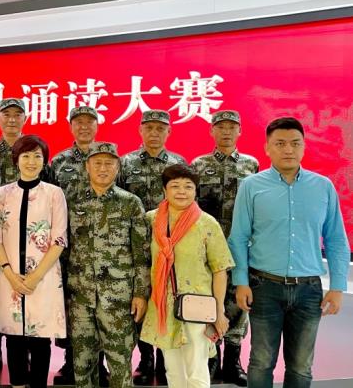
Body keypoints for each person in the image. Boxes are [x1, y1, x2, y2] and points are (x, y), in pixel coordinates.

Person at [229, 117, 350, 388]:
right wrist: (241, 282)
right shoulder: (251, 186)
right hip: (264, 287)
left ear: (304, 147)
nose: (288, 149)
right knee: (261, 361)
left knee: (301, 365)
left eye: (295, 143)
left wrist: (337, 287)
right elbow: (238, 238)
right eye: (280, 143)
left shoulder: (323, 187)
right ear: (267, 148)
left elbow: (336, 240)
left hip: (309, 291)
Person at [140, 164, 234, 388]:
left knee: (197, 371)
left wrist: (219, 311)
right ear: (164, 190)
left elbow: (220, 270)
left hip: (197, 306)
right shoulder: (151, 220)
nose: (181, 191)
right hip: (163, 305)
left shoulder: (206, 223)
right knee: (173, 370)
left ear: (195, 190)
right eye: (175, 186)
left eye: (188, 186)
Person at [67, 142, 150, 388]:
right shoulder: (72, 201)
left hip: (118, 298)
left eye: (108, 163)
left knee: (120, 363)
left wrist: (141, 293)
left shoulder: (130, 203)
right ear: (87, 166)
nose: (103, 169)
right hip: (80, 296)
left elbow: (142, 253)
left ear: (118, 167)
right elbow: (63, 249)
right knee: (82, 365)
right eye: (97, 163)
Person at [0, 135, 68, 388]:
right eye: (26, 156)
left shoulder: (54, 194)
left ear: (44, 161)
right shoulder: (2, 194)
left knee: (40, 340)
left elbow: (59, 240)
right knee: (14, 339)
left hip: (43, 277)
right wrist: (10, 274)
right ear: (16, 160)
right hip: (9, 276)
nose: (31, 161)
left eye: (37, 156)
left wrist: (35, 277)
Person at [118, 109, 187, 386]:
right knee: (143, 300)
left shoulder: (179, 163)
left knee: (167, 299)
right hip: (137, 244)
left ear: (169, 131)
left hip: (170, 246)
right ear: (140, 130)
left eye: (160, 128)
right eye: (149, 128)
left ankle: (165, 359)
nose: (154, 133)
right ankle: (146, 360)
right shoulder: (126, 163)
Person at [191, 110, 258, 385]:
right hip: (208, 248)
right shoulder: (198, 165)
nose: (226, 132)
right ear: (212, 131)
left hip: (241, 246)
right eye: (221, 127)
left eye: (232, 127)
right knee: (210, 300)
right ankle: (211, 359)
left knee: (238, 303)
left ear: (240, 131)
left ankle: (233, 361)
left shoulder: (251, 165)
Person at [49, 105, 107, 386]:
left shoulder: (108, 158)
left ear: (97, 125)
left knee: (102, 306)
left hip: (104, 246)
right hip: (68, 247)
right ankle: (71, 361)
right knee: (72, 306)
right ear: (71, 126)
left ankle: (100, 364)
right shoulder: (59, 162)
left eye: (89, 122)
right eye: (78, 122)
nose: (84, 127)